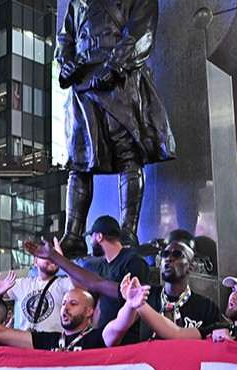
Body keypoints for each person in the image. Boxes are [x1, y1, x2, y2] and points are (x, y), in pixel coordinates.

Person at [55, 0, 175, 253]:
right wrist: (65, 63)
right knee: (79, 161)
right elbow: (65, 38)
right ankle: (73, 235)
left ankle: (127, 231)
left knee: (128, 155)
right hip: (83, 82)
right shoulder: (78, 2)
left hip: (120, 82)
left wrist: (115, 66)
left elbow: (141, 33)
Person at [26, 217, 151, 341]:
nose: (90, 241)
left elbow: (98, 284)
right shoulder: (99, 265)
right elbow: (84, 289)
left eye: (91, 236)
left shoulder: (134, 262)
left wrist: (56, 257)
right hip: (102, 339)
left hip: (126, 341)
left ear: (99, 237)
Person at [0, 279, 141, 351]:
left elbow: (118, 326)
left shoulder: (97, 338)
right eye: (64, 303)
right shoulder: (47, 339)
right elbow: (1, 332)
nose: (65, 308)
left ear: (89, 311)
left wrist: (131, 305)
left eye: (73, 304)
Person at [0, 237, 70, 335]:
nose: (52, 259)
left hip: (51, 351)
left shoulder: (65, 284)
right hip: (22, 349)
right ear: (35, 261)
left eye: (54, 255)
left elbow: (83, 284)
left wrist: (62, 261)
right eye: (47, 255)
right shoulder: (22, 284)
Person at [124, 239, 222, 340]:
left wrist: (141, 306)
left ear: (192, 266)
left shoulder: (207, 308)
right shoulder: (145, 295)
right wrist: (132, 301)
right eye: (164, 254)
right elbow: (110, 336)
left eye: (177, 254)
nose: (168, 258)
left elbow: (176, 334)